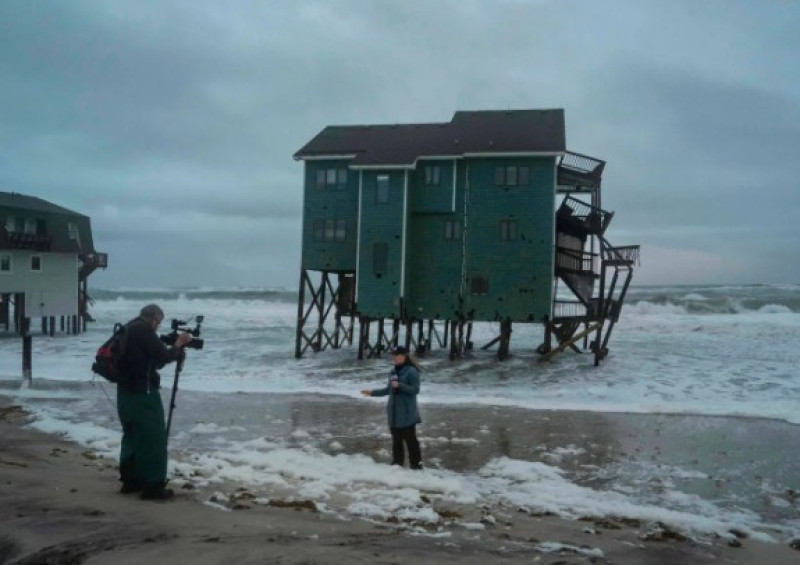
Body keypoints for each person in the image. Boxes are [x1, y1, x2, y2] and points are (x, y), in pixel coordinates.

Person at [117, 304, 190, 500]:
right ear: (153, 319)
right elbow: (164, 356)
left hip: (125, 392)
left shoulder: (129, 327)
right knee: (154, 437)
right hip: (143, 392)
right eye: (158, 323)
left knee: (132, 435)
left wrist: (171, 348)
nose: (157, 327)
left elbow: (151, 360)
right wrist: (178, 344)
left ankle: (130, 481)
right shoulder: (144, 330)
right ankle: (153, 486)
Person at [361, 346, 423, 470]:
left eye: (396, 355)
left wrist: (400, 385)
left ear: (404, 355)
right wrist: (372, 393)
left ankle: (416, 467)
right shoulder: (392, 372)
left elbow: (415, 390)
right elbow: (387, 390)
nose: (394, 357)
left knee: (411, 441)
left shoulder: (411, 371)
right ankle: (397, 465)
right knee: (396, 441)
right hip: (393, 413)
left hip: (407, 414)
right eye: (393, 355)